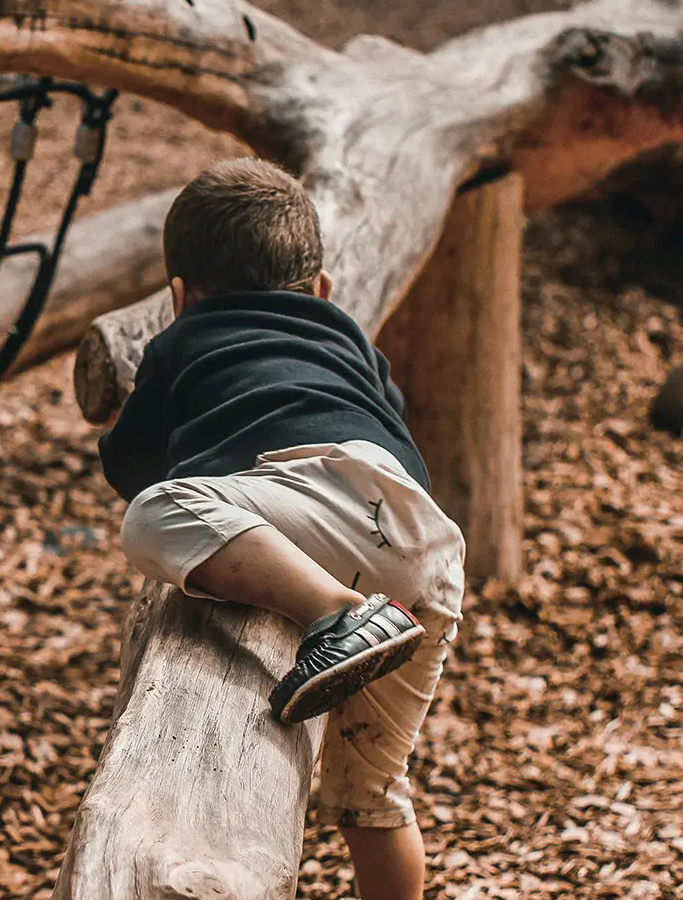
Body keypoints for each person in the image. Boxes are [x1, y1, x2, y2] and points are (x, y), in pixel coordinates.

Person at [98, 157, 465, 900]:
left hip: (323, 508)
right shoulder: (351, 340)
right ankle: (363, 616)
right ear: (323, 289)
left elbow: (131, 469)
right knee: (372, 796)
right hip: (423, 542)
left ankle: (338, 614)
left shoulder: (182, 339)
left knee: (153, 516)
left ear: (178, 296)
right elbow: (383, 419)